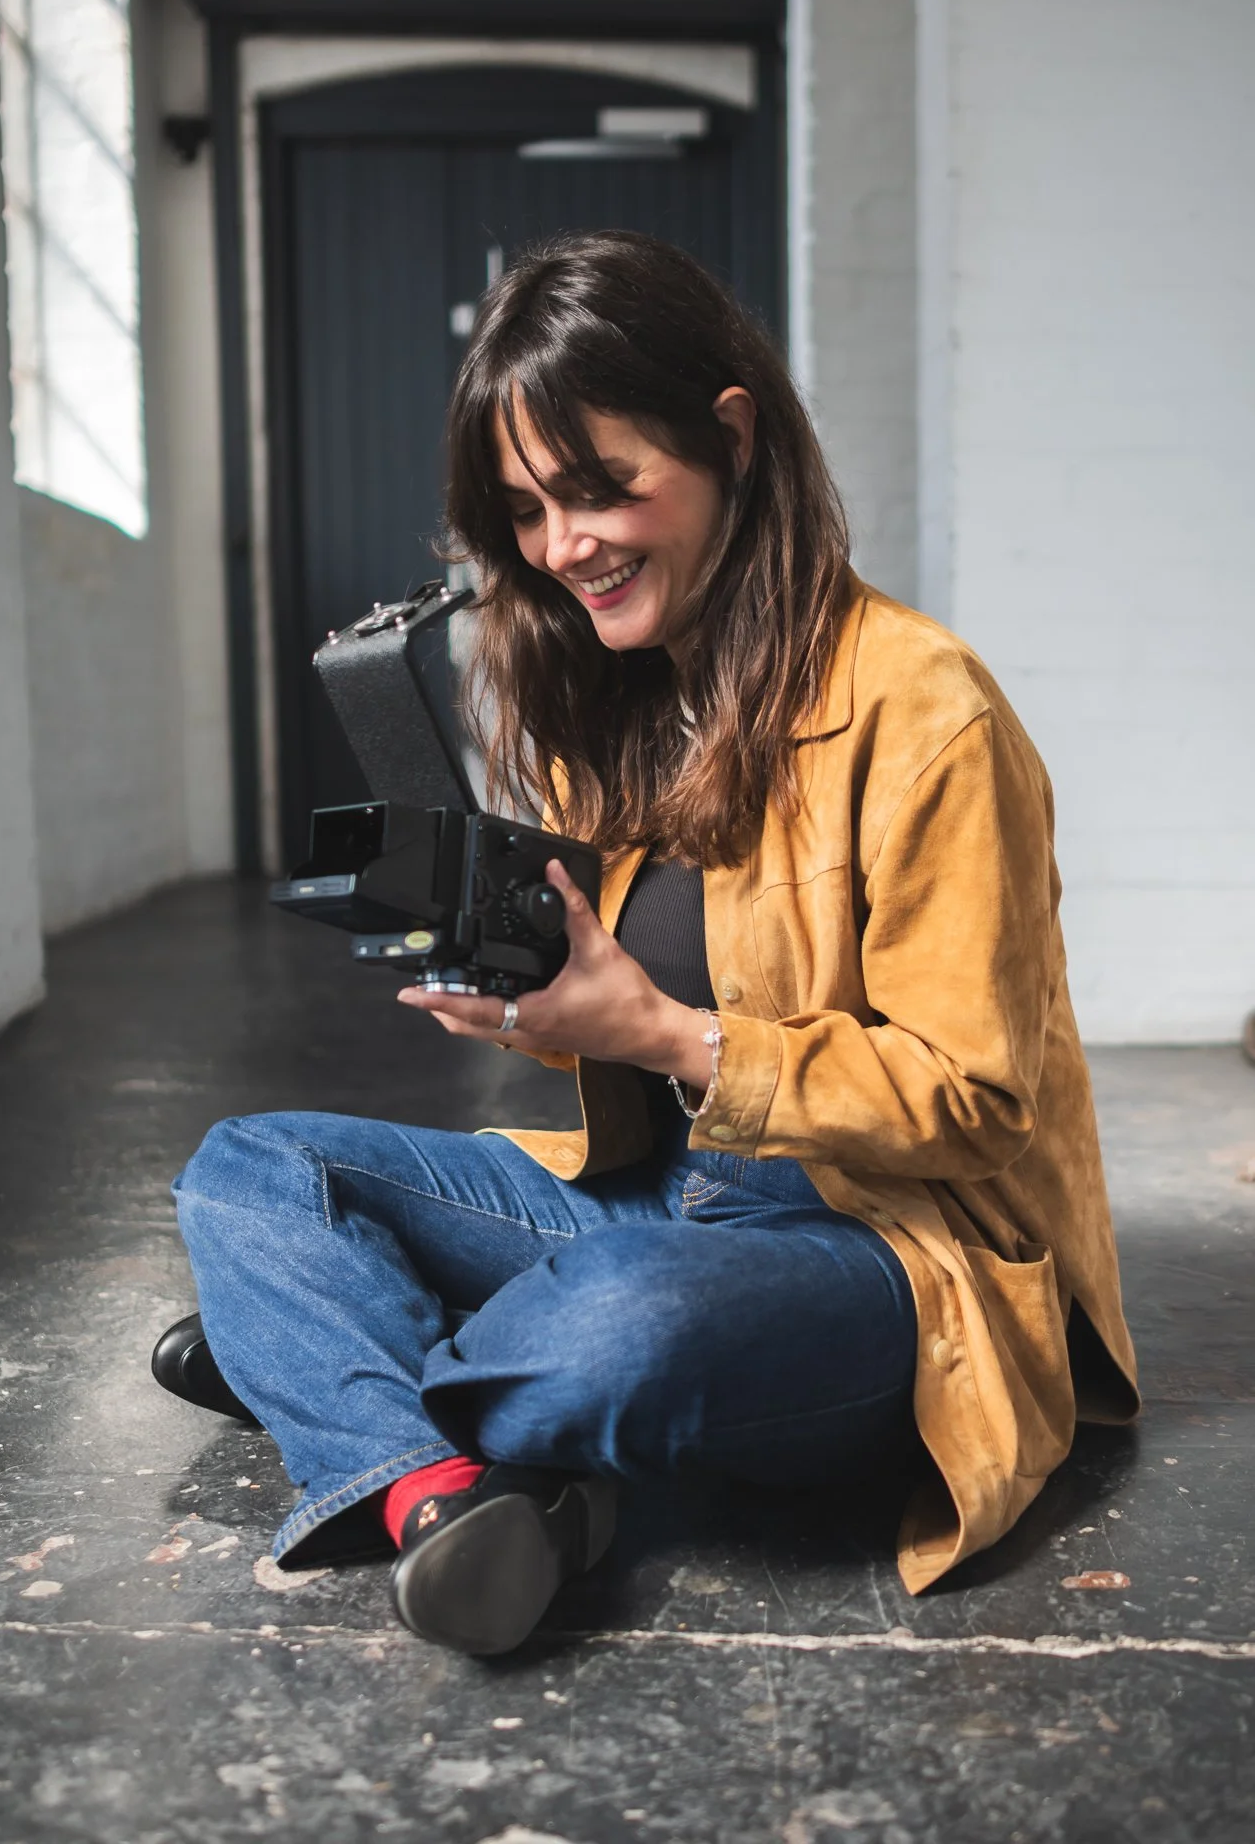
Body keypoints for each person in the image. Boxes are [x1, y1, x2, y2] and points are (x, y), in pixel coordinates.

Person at [169, 230, 1138, 1656]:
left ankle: (332, 1369)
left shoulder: (929, 711)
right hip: (663, 1197)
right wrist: (538, 1002)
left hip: (882, 1249)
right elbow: (626, 1032)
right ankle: (443, 1488)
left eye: (600, 487)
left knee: (626, 1329)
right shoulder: (625, 706)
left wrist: (669, 1037)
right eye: (526, 510)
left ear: (730, 440)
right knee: (252, 1169)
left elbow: (976, 1102)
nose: (563, 546)